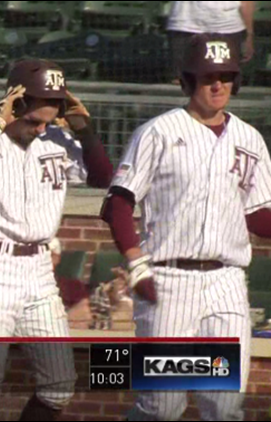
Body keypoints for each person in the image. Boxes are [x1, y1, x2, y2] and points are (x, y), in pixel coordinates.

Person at [101, 33, 271, 420]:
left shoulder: (249, 138)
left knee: (224, 404)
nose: (218, 84)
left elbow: (257, 215)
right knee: (161, 406)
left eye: (226, 76)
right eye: (208, 76)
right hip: (169, 282)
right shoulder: (159, 132)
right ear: (188, 80)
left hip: (226, 281)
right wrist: (136, 263)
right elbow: (119, 204)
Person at [0, 59, 114, 420]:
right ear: (15, 105)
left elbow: (103, 178)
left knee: (59, 384)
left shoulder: (56, 139)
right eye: (33, 121)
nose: (40, 129)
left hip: (39, 269)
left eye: (47, 121)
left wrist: (84, 131)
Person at [167, 1, 255, 81]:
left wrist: (249, 35)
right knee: (182, 80)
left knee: (224, 80)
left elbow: (246, 3)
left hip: (228, 26)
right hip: (184, 24)